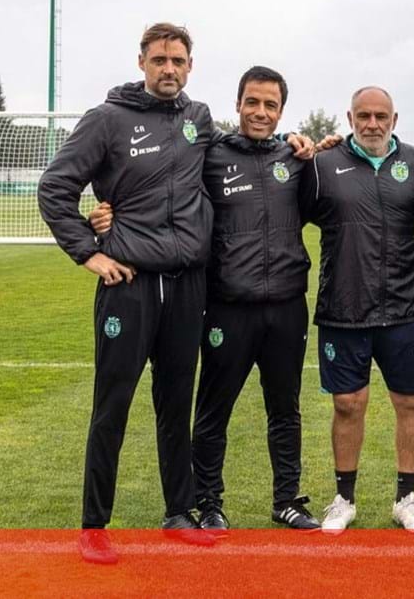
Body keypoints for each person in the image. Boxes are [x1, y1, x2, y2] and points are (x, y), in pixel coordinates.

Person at [92, 66, 319, 532]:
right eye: (252, 102)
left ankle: (287, 499)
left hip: (287, 306)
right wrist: (108, 213)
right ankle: (209, 502)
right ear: (236, 105)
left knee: (285, 407)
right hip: (225, 306)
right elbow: (157, 185)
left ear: (281, 112)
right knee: (213, 410)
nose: (260, 112)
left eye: (270, 105)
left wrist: (305, 141)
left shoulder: (295, 159)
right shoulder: (208, 152)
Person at [38, 23, 217, 564]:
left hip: (187, 285)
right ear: (141, 62)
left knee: (175, 405)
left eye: (178, 60)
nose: (169, 69)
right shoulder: (107, 119)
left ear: (190, 66)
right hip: (129, 285)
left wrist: (306, 145)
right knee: (112, 405)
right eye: (160, 59)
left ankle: (179, 513)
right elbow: (55, 186)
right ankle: (95, 526)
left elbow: (237, 159)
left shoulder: (199, 119)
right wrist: (89, 250)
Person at [302, 87, 414, 533]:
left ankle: (406, 498)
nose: (372, 123)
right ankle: (343, 499)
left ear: (394, 119)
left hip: (402, 308)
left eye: (381, 116)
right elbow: (285, 216)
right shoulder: (322, 166)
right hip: (344, 309)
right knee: (347, 405)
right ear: (350, 117)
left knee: (412, 401)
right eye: (364, 115)